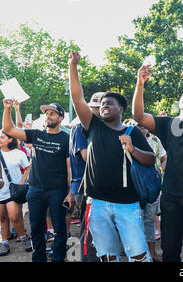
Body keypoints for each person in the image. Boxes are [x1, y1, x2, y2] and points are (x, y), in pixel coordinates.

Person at [69, 51, 155, 262]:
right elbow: (77, 98)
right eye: (103, 104)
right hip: (97, 203)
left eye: (110, 103)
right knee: (107, 255)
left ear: (121, 109)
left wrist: (132, 148)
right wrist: (73, 66)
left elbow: (151, 160)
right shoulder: (93, 126)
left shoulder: (132, 132)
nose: (105, 106)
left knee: (139, 254)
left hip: (127, 204)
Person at [133, 64, 183, 262]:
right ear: (178, 102)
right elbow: (139, 117)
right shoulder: (167, 123)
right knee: (170, 248)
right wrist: (140, 84)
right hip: (172, 195)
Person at [2, 99, 73, 262]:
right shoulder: (36, 134)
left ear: (60, 118)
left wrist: (70, 193)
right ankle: (38, 258)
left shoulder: (66, 139)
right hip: (35, 190)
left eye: (52, 113)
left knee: (60, 229)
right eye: (46, 113)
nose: (48, 116)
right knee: (35, 228)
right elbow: (9, 129)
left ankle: (58, 258)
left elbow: (70, 169)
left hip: (58, 190)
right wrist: (7, 109)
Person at [122, 118, 164, 263]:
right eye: (137, 126)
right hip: (132, 187)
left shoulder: (155, 141)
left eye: (143, 126)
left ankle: (151, 252)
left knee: (149, 220)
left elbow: (157, 158)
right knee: (133, 222)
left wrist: (160, 170)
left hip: (149, 186)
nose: (141, 129)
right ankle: (134, 253)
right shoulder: (124, 139)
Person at [70, 92, 104, 262]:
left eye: (100, 108)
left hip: (96, 186)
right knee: (89, 231)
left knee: (97, 229)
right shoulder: (79, 128)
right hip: (84, 187)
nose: (99, 112)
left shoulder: (97, 128)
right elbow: (85, 156)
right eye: (96, 108)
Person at [0, 131, 32, 256]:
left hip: (13, 191)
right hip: (0, 191)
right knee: (2, 218)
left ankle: (23, 238)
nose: (0, 139)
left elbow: (28, 167)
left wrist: (22, 182)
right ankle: (4, 243)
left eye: (2, 137)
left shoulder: (18, 154)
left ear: (10, 139)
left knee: (15, 217)